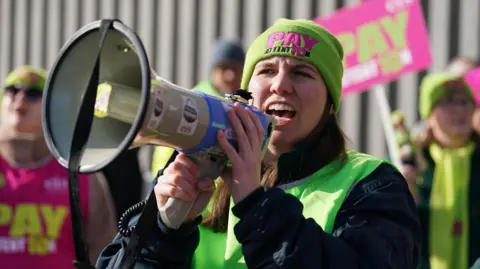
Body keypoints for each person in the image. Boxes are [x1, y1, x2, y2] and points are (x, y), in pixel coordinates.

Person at [97, 19, 421, 269]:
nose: (281, 84)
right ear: (247, 91)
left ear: (330, 103)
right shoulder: (201, 166)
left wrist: (255, 205)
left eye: (302, 73)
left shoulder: (372, 184)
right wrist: (165, 230)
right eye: (266, 70)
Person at [0, 66, 118, 268]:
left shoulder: (81, 172)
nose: (20, 99)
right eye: (12, 90)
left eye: (34, 93)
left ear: (51, 107)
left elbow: (104, 250)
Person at [402, 73, 480, 269]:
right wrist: (398, 190)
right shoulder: (408, 159)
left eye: (465, 102)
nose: (459, 110)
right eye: (447, 102)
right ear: (429, 114)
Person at [151, 39, 246, 175]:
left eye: (236, 69)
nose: (230, 75)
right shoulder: (196, 101)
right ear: (213, 71)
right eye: (224, 68)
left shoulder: (242, 103)